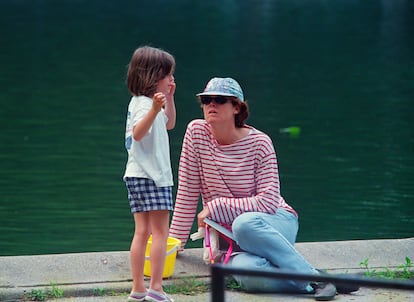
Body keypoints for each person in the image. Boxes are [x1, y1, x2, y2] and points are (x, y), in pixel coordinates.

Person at [169, 77, 358, 301]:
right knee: (248, 276)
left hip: (274, 221)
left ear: (237, 107)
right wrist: (174, 244)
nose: (211, 105)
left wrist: (216, 206)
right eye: (206, 100)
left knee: (245, 224)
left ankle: (313, 279)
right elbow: (187, 191)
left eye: (219, 100)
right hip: (233, 241)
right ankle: (314, 279)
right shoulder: (196, 133)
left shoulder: (261, 143)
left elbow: (268, 203)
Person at [123, 46, 176, 302]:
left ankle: (138, 289)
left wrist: (170, 99)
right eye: (168, 76)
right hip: (154, 176)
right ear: (153, 76)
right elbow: (138, 133)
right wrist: (155, 109)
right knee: (160, 233)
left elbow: (169, 123)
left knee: (141, 232)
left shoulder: (139, 103)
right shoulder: (146, 106)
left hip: (135, 174)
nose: (171, 80)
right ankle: (156, 287)